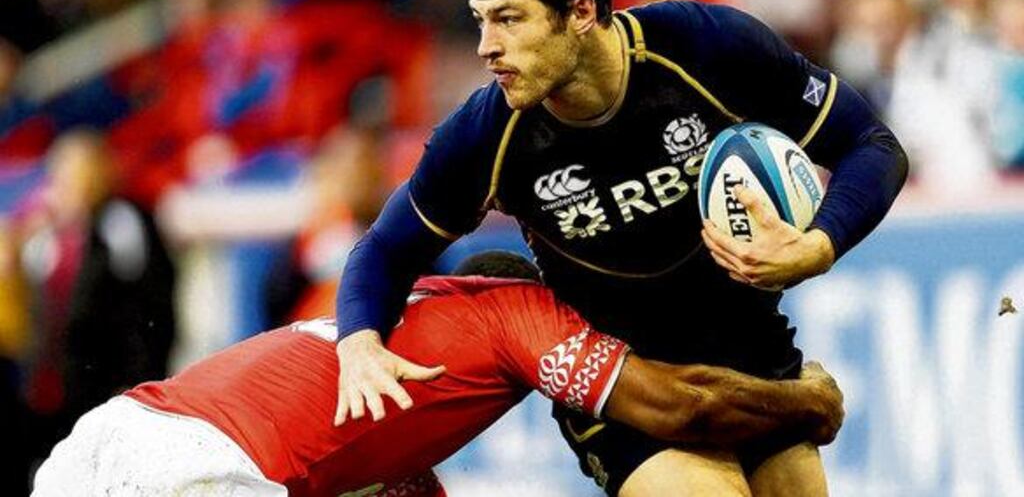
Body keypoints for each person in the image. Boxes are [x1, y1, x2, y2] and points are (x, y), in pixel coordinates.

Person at [332, 0, 907, 495]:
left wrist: (818, 245)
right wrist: (358, 343)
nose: (485, 46)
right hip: (622, 385)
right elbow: (384, 249)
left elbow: (872, 146)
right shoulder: (485, 135)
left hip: (751, 353)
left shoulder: (705, 47)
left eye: (508, 18)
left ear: (581, 11)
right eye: (481, 21)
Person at [33, 252, 844, 497]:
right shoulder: (516, 310)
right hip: (198, 468)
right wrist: (803, 404)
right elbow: (679, 408)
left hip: (107, 437)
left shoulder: (402, 328)